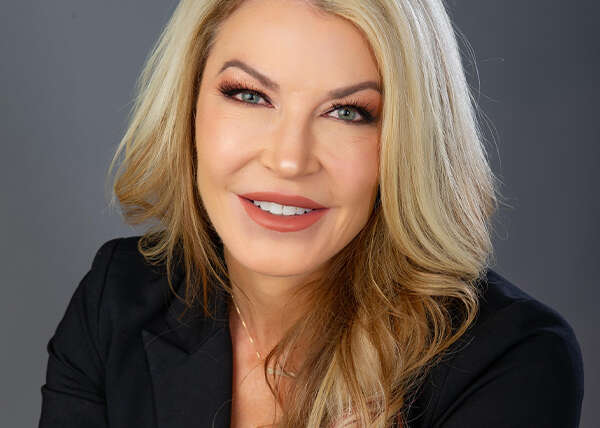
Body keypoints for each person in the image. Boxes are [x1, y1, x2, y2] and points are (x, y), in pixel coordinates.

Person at [38, 0, 584, 427]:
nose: (289, 159)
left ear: (408, 145)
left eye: (347, 112)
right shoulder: (117, 300)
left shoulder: (512, 359)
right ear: (188, 107)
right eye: (250, 96)